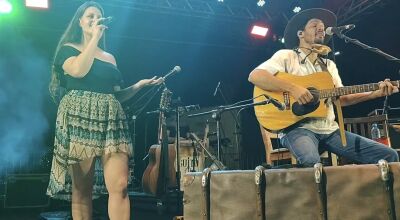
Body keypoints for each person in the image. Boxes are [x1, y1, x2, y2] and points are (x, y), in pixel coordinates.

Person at [46, 2, 163, 220]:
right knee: (83, 189)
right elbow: (79, 71)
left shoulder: (110, 58)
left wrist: (138, 85)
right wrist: (93, 40)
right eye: (89, 16)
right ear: (80, 22)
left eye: (98, 16)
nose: (94, 19)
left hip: (111, 119)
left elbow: (116, 95)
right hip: (80, 117)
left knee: (120, 185)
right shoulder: (68, 49)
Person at [248, 8, 399, 167]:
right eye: (314, 26)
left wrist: (375, 93)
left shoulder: (329, 65)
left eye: (322, 27)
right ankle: (279, 176)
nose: (321, 28)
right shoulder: (286, 56)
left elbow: (343, 99)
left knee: (389, 155)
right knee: (311, 162)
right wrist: (293, 88)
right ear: (300, 33)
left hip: (331, 131)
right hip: (297, 129)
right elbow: (255, 76)